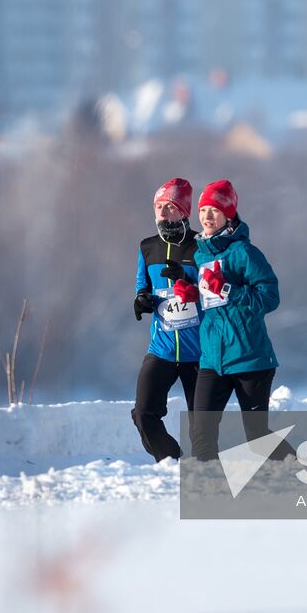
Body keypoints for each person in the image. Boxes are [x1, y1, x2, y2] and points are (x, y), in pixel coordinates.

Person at [188, 180, 292, 462]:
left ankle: (300, 470)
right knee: (201, 436)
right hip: (212, 359)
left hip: (250, 359)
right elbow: (214, 303)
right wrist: (193, 294)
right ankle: (210, 496)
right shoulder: (200, 256)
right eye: (203, 210)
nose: (207, 216)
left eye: (215, 210)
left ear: (228, 215)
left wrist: (227, 289)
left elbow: (269, 298)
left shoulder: (244, 253)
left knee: (258, 439)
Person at [131, 177, 201, 461]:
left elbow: (215, 292)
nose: (162, 212)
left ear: (184, 211)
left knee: (204, 426)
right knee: (143, 413)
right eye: (158, 206)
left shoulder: (202, 246)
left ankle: (207, 473)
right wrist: (141, 298)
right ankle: (172, 462)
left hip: (199, 351)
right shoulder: (147, 247)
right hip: (162, 348)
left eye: (169, 207)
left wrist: (187, 279)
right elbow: (141, 283)